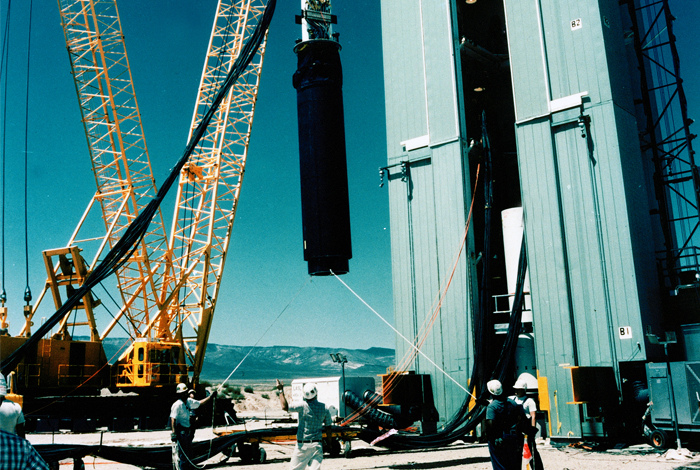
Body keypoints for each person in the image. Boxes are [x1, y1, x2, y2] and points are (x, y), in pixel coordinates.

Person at [276, 379, 331, 470]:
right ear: (316, 393)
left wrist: (281, 390)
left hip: (302, 446)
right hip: (317, 445)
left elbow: (284, 407)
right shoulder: (324, 408)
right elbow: (328, 427)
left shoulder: (302, 406)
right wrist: (329, 444)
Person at [170, 383, 217, 470]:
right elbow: (173, 419)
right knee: (183, 455)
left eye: (185, 393)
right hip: (181, 432)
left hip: (187, 431)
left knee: (188, 453)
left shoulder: (189, 402)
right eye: (182, 393)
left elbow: (200, 403)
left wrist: (210, 397)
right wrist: (174, 433)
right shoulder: (177, 405)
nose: (183, 395)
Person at [484, 379, 525, 470]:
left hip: (499, 439)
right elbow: (518, 418)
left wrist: (490, 437)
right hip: (513, 437)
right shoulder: (512, 403)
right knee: (513, 464)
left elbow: (490, 424)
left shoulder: (492, 407)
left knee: (500, 464)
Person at [510, 379, 543, 470]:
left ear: (524, 390)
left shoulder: (529, 401)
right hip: (516, 429)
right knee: (516, 452)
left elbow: (533, 416)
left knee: (531, 451)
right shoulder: (512, 399)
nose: (516, 391)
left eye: (519, 389)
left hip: (526, 429)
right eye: (516, 389)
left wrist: (532, 430)